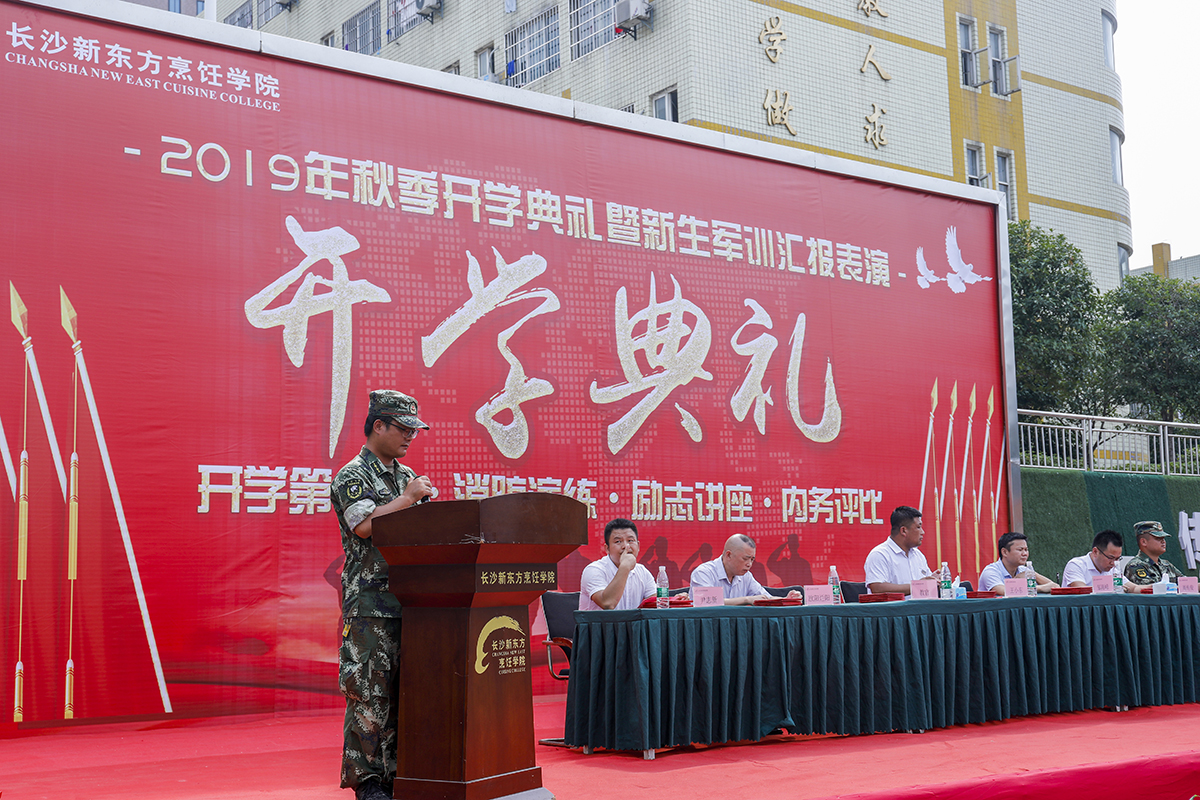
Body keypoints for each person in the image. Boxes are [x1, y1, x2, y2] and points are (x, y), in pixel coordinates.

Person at [331, 390, 433, 800]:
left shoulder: (407, 477)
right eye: (404, 428)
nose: (410, 437)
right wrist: (407, 500)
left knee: (404, 692)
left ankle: (398, 774)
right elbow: (364, 526)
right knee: (368, 693)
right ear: (378, 425)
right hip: (371, 604)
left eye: (414, 430)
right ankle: (368, 781)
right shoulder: (352, 475)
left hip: (414, 603)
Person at [689, 534, 802, 605]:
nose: (749, 564)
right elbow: (706, 602)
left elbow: (765, 598)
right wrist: (747, 600)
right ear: (728, 555)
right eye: (745, 559)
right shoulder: (704, 573)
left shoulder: (746, 576)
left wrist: (786, 599)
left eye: (752, 559)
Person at [579, 519, 658, 611]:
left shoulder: (643, 572)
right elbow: (608, 604)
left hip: (632, 621)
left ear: (638, 546)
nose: (626, 546)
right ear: (607, 548)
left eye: (630, 540)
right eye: (618, 542)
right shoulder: (594, 570)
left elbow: (657, 604)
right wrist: (625, 567)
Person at [864, 506, 933, 595]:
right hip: (893, 605)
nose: (922, 532)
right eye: (918, 527)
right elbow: (877, 588)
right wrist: (918, 586)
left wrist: (933, 580)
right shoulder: (879, 554)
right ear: (903, 531)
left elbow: (925, 584)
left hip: (919, 604)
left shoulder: (918, 555)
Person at [978, 532, 1058, 594]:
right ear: (1005, 552)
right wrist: (1038, 588)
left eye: (1026, 550)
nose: (1025, 554)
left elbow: (1055, 587)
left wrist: (1033, 574)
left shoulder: (1023, 570)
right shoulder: (991, 571)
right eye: (1020, 550)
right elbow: (1005, 591)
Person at [1062, 529, 1135, 591]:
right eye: (1110, 558)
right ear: (1095, 552)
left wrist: (1142, 588)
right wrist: (1110, 589)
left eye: (1117, 559)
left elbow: (1133, 588)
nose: (1113, 563)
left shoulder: (1113, 570)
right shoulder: (1076, 565)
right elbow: (1081, 591)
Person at [1124, 520, 1185, 586]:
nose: (1163, 541)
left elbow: (1186, 583)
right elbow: (1151, 590)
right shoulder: (1135, 566)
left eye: (1163, 538)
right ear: (1143, 542)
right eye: (1158, 538)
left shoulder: (1166, 565)